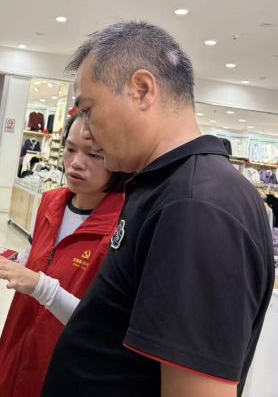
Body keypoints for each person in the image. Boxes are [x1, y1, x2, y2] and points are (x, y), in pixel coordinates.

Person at [41, 22, 274, 397]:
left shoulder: (196, 205)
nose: (87, 129)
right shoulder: (165, 186)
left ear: (142, 90)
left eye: (88, 109)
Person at [0, 111, 127, 397]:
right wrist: (5, 259)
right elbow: (35, 257)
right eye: (69, 149)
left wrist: (41, 287)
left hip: (63, 369)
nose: (76, 163)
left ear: (119, 159)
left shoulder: (121, 228)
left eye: (94, 155)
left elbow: (101, 326)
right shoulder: (52, 201)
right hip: (17, 348)